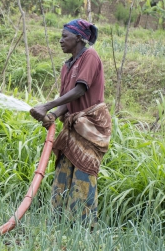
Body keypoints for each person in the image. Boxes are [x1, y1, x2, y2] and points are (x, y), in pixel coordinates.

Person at [30, 19, 112, 228]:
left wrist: (47, 106)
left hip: (90, 128)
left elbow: (80, 90)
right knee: (63, 173)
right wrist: (53, 115)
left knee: (83, 175)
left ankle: (81, 229)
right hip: (73, 127)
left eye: (64, 37)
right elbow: (68, 100)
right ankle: (57, 224)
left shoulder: (89, 56)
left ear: (78, 38)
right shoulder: (67, 66)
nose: (60, 41)